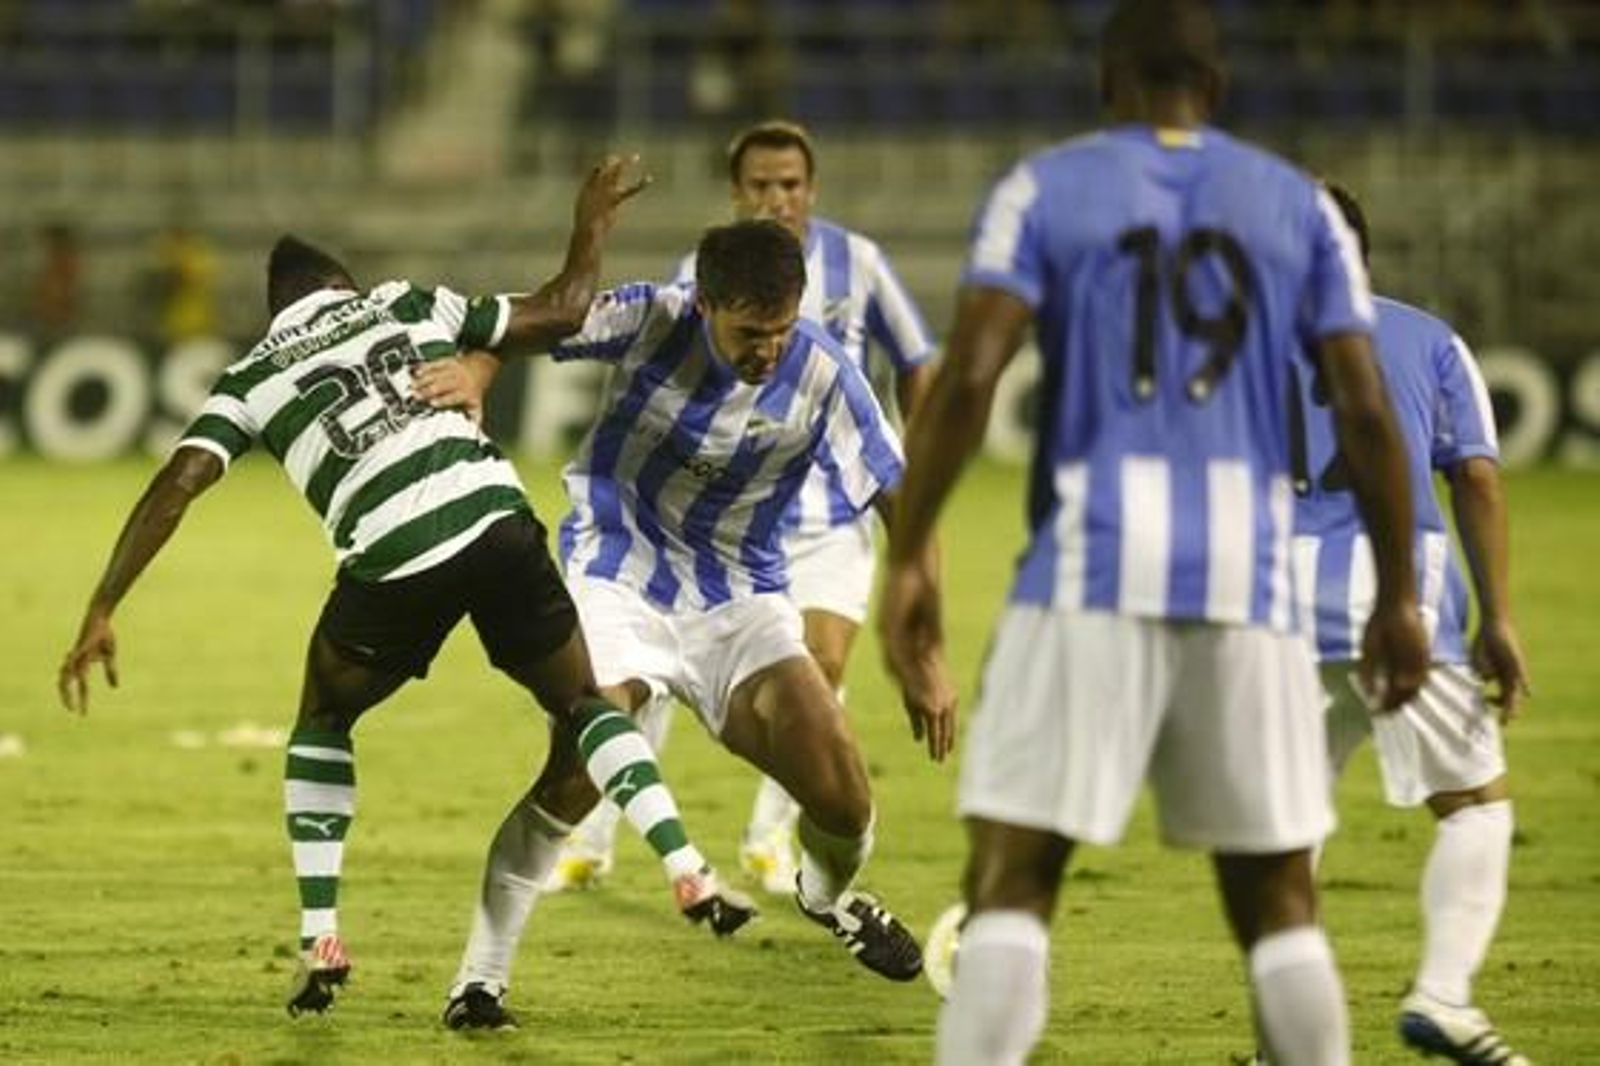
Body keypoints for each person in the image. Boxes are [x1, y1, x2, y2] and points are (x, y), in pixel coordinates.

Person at [56, 156, 753, 1032]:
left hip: (394, 557)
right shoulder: (408, 301)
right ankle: (687, 865)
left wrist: (102, 606)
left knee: (322, 717)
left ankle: (321, 938)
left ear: (282, 311)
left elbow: (179, 481)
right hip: (495, 520)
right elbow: (563, 311)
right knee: (581, 701)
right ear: (342, 286)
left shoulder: (254, 373)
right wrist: (591, 222)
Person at [877, 2, 1431, 1063]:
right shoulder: (1302, 209)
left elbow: (972, 374)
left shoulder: (1043, 188)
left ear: (1105, 83)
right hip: (1249, 582)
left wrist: (909, 557)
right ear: (1215, 90)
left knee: (1013, 879)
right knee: (1276, 895)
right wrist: (1400, 594)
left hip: (1087, 568)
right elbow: (1363, 409)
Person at [415, 219, 954, 1012]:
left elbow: (906, 506)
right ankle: (480, 978)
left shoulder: (825, 376)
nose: (767, 349)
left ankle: (825, 894)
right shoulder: (651, 317)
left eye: (780, 329)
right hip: (617, 572)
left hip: (741, 598)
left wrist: (925, 648)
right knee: (579, 763)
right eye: (748, 332)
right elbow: (531, 319)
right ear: (704, 303)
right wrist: (476, 368)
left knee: (843, 796)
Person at [546, 118, 938, 896]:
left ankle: (773, 839)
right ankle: (591, 839)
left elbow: (917, 359)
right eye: (760, 184)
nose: (776, 197)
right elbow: (594, 330)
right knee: (638, 681)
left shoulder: (858, 264)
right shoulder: (693, 281)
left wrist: (918, 442)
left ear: (811, 189)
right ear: (736, 192)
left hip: (827, 511)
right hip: (705, 517)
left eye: (789, 184)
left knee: (816, 675)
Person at [1295, 182, 1532, 1066]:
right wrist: (1499, 615)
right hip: (1400, 607)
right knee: (1474, 806)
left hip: (1279, 617)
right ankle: (1443, 995)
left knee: (1291, 828)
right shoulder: (1428, 339)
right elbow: (1476, 476)